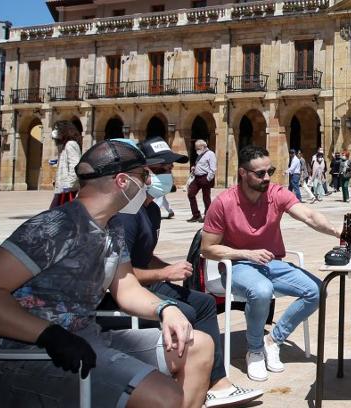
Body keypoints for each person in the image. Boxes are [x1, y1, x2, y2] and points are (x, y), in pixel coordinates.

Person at [0, 140, 214, 408]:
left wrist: (165, 309)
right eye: (144, 176)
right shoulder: (54, 227)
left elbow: (126, 288)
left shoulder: (112, 229)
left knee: (199, 347)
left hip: (87, 342)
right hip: (30, 356)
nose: (149, 183)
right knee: (163, 395)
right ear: (123, 181)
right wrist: (50, 334)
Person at [107, 138, 263, 406]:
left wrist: (165, 267)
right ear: (141, 174)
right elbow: (119, 275)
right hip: (122, 292)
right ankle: (188, 384)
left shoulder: (152, 211)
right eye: (159, 170)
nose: (166, 174)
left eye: (168, 168)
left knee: (202, 302)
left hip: (144, 282)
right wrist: (164, 273)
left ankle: (216, 382)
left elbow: (143, 257)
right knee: (188, 311)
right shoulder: (126, 215)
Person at [199, 145, 343, 381]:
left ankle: (273, 339)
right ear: (243, 173)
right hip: (236, 266)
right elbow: (208, 248)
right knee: (261, 290)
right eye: (260, 173)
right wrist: (246, 253)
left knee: (316, 290)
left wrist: (336, 231)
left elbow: (308, 215)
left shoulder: (276, 193)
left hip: (271, 264)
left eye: (270, 171)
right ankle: (254, 350)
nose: (267, 177)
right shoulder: (223, 203)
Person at [51, 121, 83, 209]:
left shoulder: (70, 144)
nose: (55, 131)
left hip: (68, 191)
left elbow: (75, 166)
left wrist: (68, 184)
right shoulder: (65, 145)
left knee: (61, 215)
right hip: (64, 189)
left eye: (57, 129)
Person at [188, 139, 217, 223]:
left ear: (203, 147)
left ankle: (208, 215)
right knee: (191, 194)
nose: (196, 150)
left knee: (206, 197)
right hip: (197, 178)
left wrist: (208, 179)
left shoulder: (210, 154)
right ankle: (196, 215)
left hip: (205, 178)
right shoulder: (200, 155)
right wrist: (194, 168)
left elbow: (213, 168)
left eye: (197, 148)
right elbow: (200, 164)